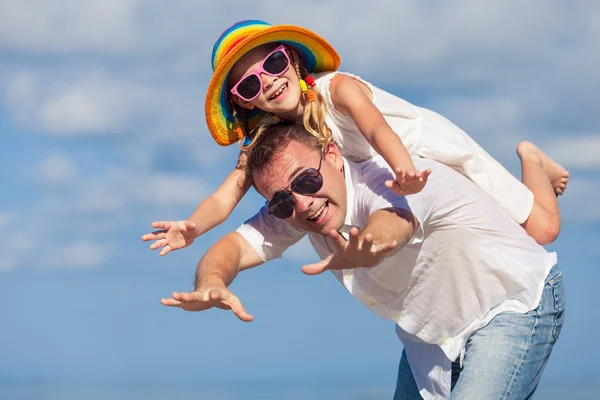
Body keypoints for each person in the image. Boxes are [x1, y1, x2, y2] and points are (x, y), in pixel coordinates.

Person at [161, 122, 565, 399]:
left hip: (511, 301)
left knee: (541, 225)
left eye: (306, 180)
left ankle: (531, 159)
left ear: (334, 156)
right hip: (431, 336)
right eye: (281, 200)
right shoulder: (298, 211)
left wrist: (368, 244)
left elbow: (395, 220)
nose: (303, 203)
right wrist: (211, 281)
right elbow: (229, 247)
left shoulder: (387, 177)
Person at [142, 20, 569, 256]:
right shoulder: (274, 138)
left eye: (272, 64)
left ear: (291, 58)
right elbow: (225, 196)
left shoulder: (338, 88)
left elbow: (376, 127)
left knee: (542, 230)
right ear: (245, 103)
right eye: (250, 86)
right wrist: (193, 227)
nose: (268, 82)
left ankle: (531, 157)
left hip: (422, 152)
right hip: (401, 181)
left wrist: (404, 169)